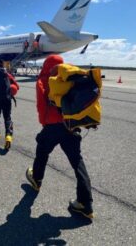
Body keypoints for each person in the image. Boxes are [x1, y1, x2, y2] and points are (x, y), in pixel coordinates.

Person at [26, 54, 94, 219]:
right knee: (77, 161)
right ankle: (86, 204)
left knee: (42, 152)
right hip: (71, 125)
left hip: (52, 126)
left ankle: (36, 180)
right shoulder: (69, 78)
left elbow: (41, 105)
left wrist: (45, 123)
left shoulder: (43, 80)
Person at [0, 59, 19, 149]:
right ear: (3, 65)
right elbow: (17, 86)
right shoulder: (7, 74)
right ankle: (8, 136)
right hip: (6, 99)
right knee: (7, 117)